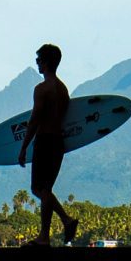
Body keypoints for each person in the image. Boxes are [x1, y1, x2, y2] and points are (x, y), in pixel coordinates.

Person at [16, 43, 78, 246]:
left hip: (44, 141)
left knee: (37, 189)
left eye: (39, 60)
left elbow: (34, 120)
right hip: (59, 143)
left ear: (46, 62)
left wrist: (24, 147)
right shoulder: (63, 90)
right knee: (46, 190)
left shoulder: (42, 89)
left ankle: (65, 220)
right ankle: (45, 236)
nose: (37, 64)